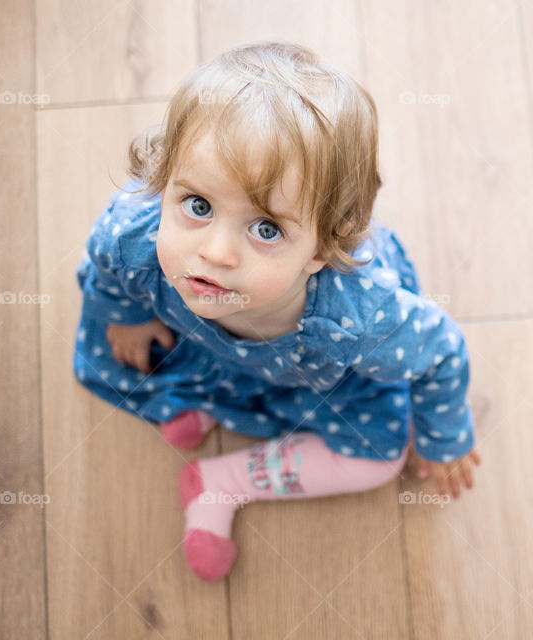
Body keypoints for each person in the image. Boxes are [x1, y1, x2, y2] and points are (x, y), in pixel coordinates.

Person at [72, 41, 481, 582]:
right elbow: (104, 262)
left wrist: (443, 436)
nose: (215, 253)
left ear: (320, 250)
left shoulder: (359, 318)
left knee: (379, 459)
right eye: (196, 205)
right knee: (127, 353)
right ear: (162, 181)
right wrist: (125, 313)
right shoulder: (136, 235)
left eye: (266, 228)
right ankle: (215, 401)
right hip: (212, 350)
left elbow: (441, 354)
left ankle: (225, 479)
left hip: (324, 376)